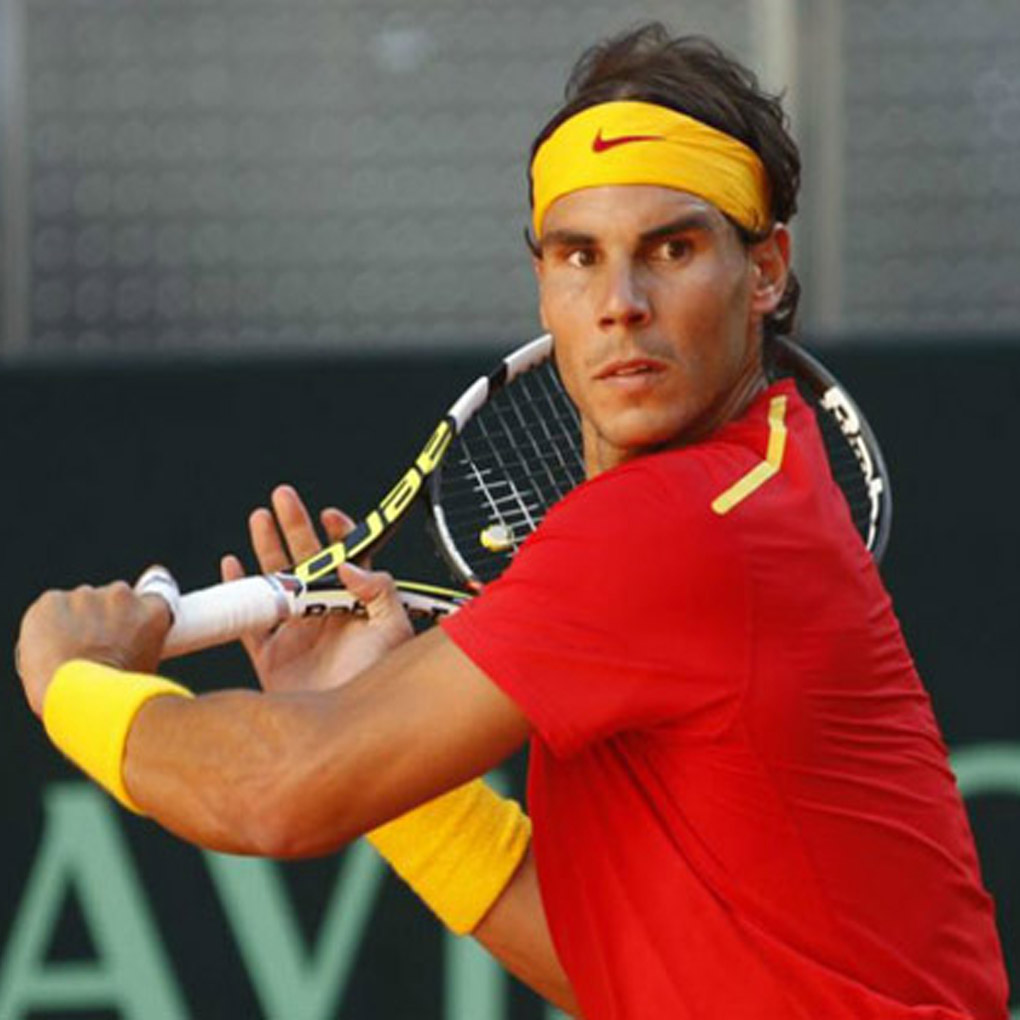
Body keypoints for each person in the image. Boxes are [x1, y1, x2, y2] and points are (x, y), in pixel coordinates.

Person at [15, 24, 1009, 1020]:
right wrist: (370, 738)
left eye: (672, 248)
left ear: (765, 271)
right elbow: (624, 971)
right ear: (543, 283)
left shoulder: (684, 521)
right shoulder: (759, 485)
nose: (620, 302)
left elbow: (278, 792)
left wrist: (72, 684)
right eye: (580, 256)